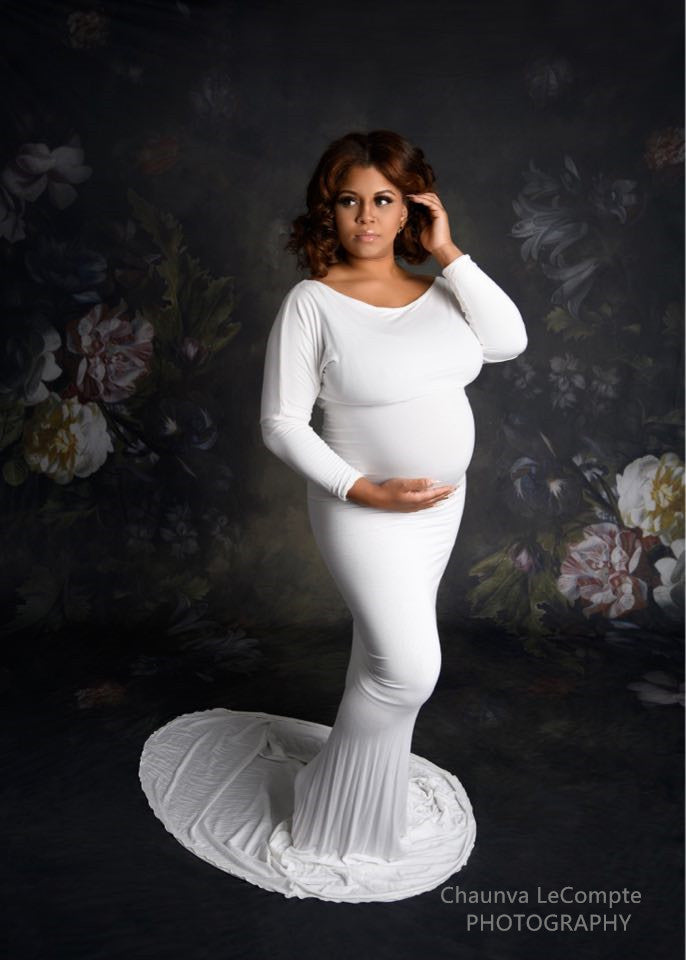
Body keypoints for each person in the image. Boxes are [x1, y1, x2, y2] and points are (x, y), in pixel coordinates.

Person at [138, 129, 527, 903]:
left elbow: (509, 341)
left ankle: (356, 813)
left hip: (439, 513)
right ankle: (328, 816)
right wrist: (363, 490)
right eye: (350, 201)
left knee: (378, 661)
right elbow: (280, 424)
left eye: (385, 199)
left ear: (413, 207)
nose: (367, 216)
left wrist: (449, 251)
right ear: (329, 211)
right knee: (407, 670)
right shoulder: (312, 302)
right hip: (361, 511)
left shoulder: (445, 290)